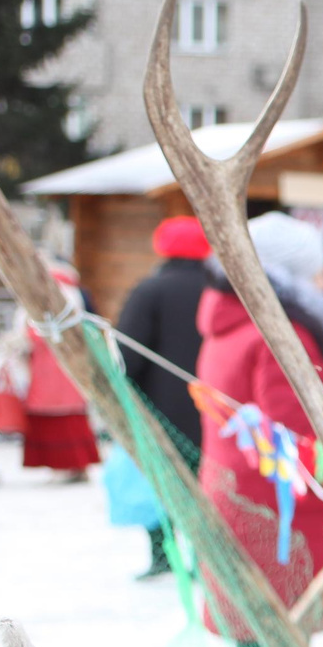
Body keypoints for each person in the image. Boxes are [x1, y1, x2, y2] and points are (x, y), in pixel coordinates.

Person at [195, 213, 323, 647]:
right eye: (315, 271)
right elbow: (291, 432)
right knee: (271, 620)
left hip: (247, 494)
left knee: (266, 617)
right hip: (276, 503)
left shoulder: (236, 324)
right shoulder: (274, 336)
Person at [112, 215, 216, 575]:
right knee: (208, 486)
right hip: (215, 408)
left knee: (163, 482)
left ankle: (162, 554)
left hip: (162, 408)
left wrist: (125, 396)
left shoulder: (149, 291)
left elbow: (128, 353)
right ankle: (207, 560)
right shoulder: (220, 289)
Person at [19, 262, 99, 480]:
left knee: (64, 415)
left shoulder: (59, 297)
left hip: (55, 364)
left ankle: (70, 466)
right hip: (59, 364)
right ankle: (68, 466)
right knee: (66, 414)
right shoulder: (75, 296)